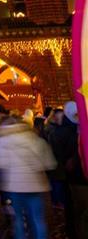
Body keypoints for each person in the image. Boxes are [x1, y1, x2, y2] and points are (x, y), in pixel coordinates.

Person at [0, 115, 57, 239]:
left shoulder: (0, 142)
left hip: (13, 187)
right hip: (35, 185)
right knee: (37, 219)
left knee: (18, 220)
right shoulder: (35, 139)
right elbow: (49, 163)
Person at [49, 101, 81, 238]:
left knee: (73, 205)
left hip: (69, 175)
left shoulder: (61, 130)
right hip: (76, 175)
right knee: (78, 208)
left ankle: (72, 230)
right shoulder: (73, 130)